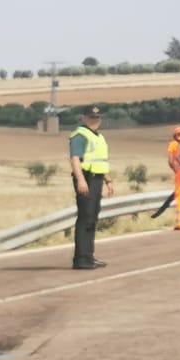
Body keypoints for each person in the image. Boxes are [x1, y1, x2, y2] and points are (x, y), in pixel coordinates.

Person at [67, 105, 114, 270]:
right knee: (85, 218)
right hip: (87, 179)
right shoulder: (80, 135)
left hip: (97, 179)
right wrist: (80, 180)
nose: (95, 121)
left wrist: (108, 180)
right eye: (92, 118)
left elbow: (100, 161)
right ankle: (81, 259)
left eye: (97, 118)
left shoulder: (97, 136)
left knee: (92, 218)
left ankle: (89, 256)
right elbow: (74, 159)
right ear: (84, 118)